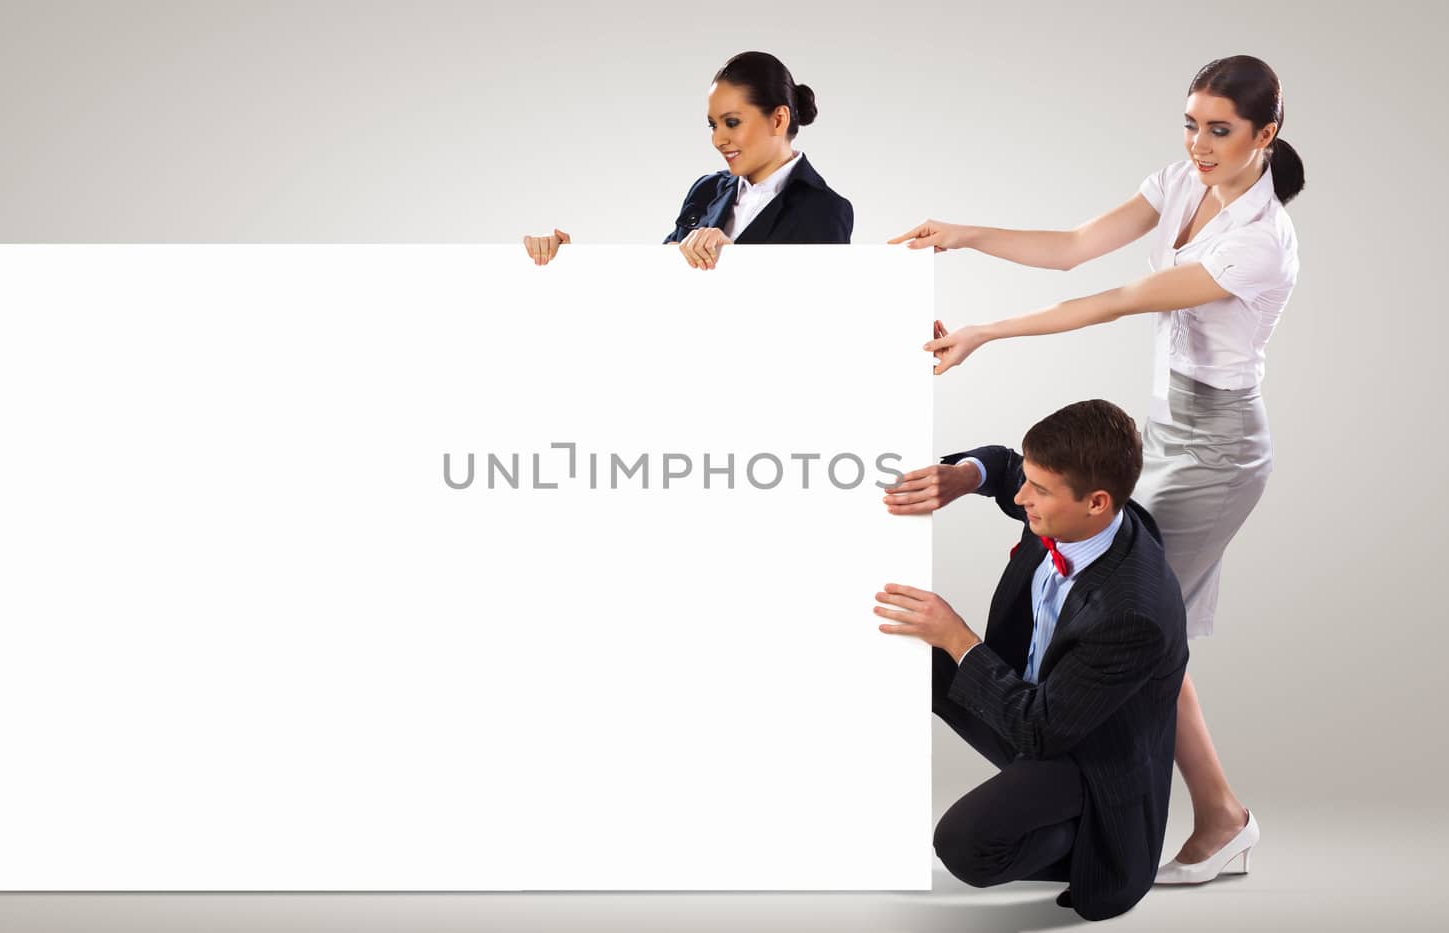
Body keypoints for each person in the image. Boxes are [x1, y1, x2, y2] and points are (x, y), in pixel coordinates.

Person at [884, 55, 1301, 883]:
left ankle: (1116, 805)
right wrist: (962, 232)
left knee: (1135, 625)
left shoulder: (1261, 242)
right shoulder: (1182, 184)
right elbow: (1076, 249)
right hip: (1168, 423)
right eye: (1191, 123)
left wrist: (984, 333)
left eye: (1220, 130)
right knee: (1154, 641)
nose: (1200, 144)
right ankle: (1213, 813)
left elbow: (1111, 301)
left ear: (1267, 135)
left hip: (1217, 450)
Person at [875, 399, 1188, 921]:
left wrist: (957, 638)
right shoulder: (1074, 500)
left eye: (1038, 491)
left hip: (1081, 753)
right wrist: (963, 476)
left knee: (964, 845)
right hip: (1033, 702)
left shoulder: (1134, 613)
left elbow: (1040, 732)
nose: (1021, 497)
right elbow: (1001, 466)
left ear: (1096, 503)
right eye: (1029, 480)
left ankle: (1086, 842)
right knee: (898, 648)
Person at [522, 51, 852, 270]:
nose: (718, 139)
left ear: (778, 120)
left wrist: (734, 259)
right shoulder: (707, 189)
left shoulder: (826, 209)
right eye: (713, 125)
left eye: (732, 122)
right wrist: (566, 262)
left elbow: (813, 314)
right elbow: (659, 281)